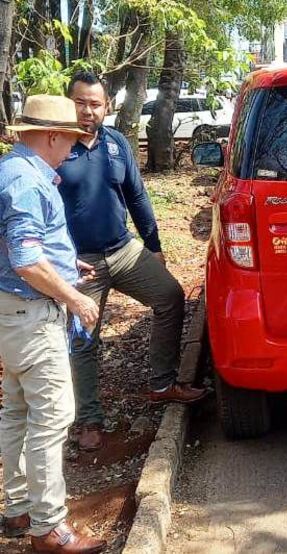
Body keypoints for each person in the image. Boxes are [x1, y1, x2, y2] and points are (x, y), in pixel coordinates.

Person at [58, 71, 208, 452]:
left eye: (95, 104)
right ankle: (89, 418)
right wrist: (61, 256)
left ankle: (162, 384)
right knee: (83, 337)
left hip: (123, 249)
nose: (87, 111)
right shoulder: (56, 146)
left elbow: (137, 196)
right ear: (68, 102)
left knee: (170, 297)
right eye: (80, 102)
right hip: (80, 262)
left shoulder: (116, 143)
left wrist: (153, 244)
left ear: (106, 106)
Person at [0, 94, 106, 552]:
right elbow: (25, 260)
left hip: (12, 311)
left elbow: (24, 248)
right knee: (52, 418)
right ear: (49, 136)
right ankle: (49, 527)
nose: (73, 148)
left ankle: (17, 508)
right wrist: (75, 297)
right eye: (69, 140)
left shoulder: (14, 170)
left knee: (17, 411)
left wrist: (65, 268)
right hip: (32, 313)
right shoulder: (26, 181)